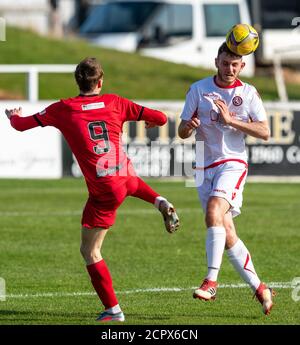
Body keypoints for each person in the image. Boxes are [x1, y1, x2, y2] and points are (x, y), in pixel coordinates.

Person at [5, 57, 179, 322]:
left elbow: (20, 125)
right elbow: (160, 118)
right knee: (129, 180)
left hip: (104, 189)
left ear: (77, 81)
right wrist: (152, 122)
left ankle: (114, 311)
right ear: (100, 82)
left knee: (90, 251)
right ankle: (159, 201)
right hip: (122, 174)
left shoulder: (63, 109)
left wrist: (13, 116)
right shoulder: (115, 102)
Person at [178, 42, 275, 315]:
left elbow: (265, 131)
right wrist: (188, 126)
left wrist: (231, 120)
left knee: (213, 211)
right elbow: (182, 131)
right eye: (225, 63)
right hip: (202, 167)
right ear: (216, 62)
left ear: (242, 66)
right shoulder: (198, 89)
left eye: (235, 64)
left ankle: (211, 282)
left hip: (232, 163)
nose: (229, 68)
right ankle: (260, 288)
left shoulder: (248, 93)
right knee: (227, 231)